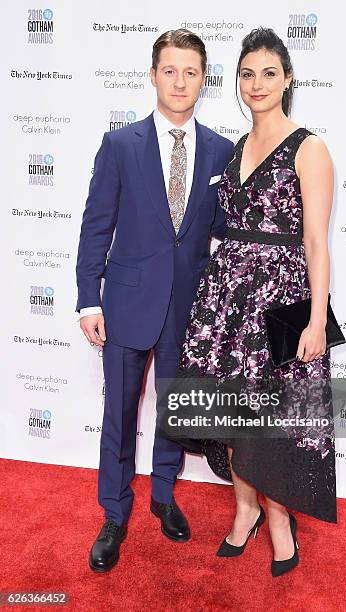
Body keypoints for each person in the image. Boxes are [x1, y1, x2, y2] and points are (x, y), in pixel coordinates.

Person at [167, 27, 337, 577]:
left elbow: (315, 242)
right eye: (247, 74)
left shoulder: (309, 148)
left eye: (269, 72)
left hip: (281, 301)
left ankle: (279, 521)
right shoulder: (235, 147)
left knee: (275, 423)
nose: (257, 83)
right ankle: (244, 512)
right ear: (236, 83)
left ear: (288, 79)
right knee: (235, 416)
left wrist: (315, 320)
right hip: (229, 301)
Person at [75, 28, 234, 573]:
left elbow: (225, 234)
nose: (180, 81)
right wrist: (86, 300)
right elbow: (96, 228)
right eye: (170, 70)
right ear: (152, 76)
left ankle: (164, 495)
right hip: (125, 304)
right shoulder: (119, 146)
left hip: (187, 309)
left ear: (204, 81)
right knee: (118, 415)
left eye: (191, 72)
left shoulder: (220, 150)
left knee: (175, 409)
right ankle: (114, 513)